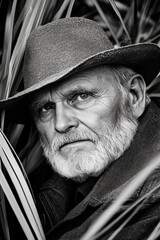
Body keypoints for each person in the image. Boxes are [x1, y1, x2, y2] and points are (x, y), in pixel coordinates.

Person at [1, 17, 160, 240]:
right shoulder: (41, 186)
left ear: (134, 96)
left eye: (81, 96)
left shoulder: (152, 200)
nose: (61, 123)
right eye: (45, 108)